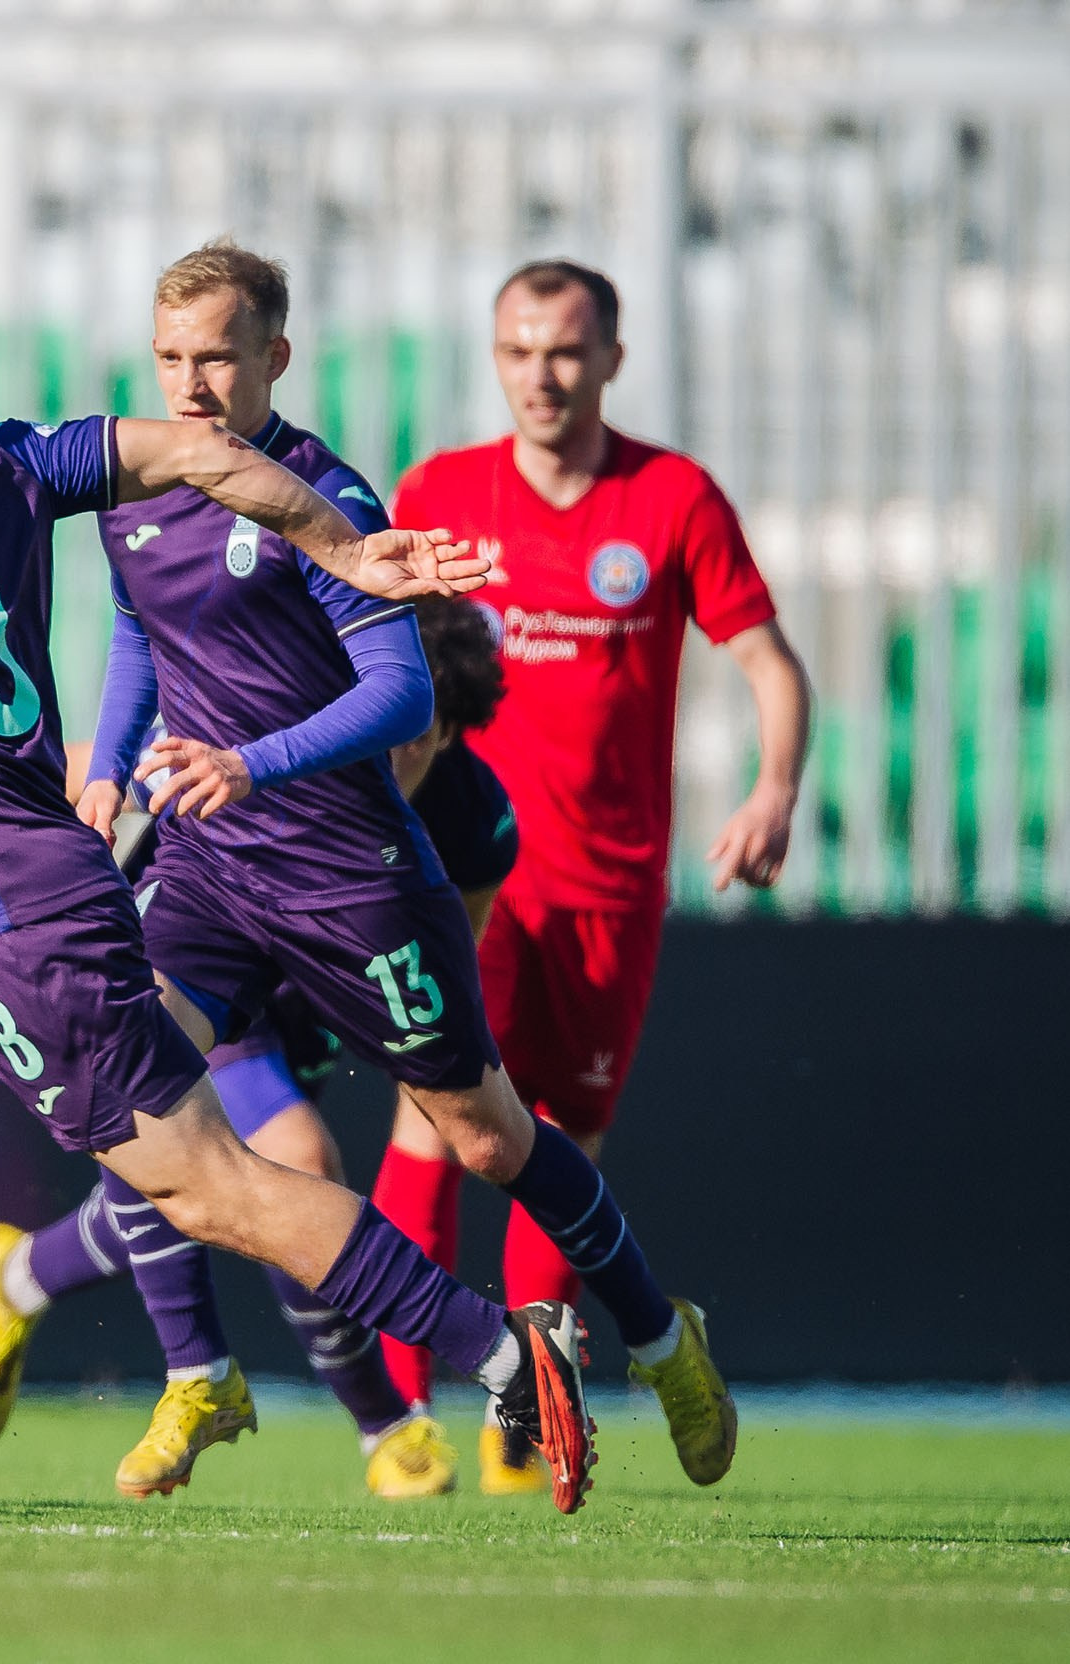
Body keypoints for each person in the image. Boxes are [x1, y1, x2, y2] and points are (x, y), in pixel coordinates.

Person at [0, 274, 600, 1514]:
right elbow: (203, 454)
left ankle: (508, 1352)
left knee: (216, 1187)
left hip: (19, 930)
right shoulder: (1, 462)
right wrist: (342, 547)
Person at [376, 259, 812, 1494]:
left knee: (558, 1135)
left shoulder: (669, 498)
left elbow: (770, 662)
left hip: (609, 887)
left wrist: (774, 782)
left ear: (610, 359)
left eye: (563, 351)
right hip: (470, 871)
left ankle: (526, 1411)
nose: (539, 375)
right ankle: (400, 1416)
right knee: (439, 1113)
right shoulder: (443, 493)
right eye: (516, 350)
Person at [0, 594, 515, 1502]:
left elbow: (450, 980)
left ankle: (17, 1275)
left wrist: (441, 1087)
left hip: (316, 1010)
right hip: (214, 971)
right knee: (293, 1162)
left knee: (210, 1191)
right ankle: (388, 1429)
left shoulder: (475, 821)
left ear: (449, 732)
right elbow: (102, 775)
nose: (396, 750)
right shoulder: (284, 753)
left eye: (419, 735)